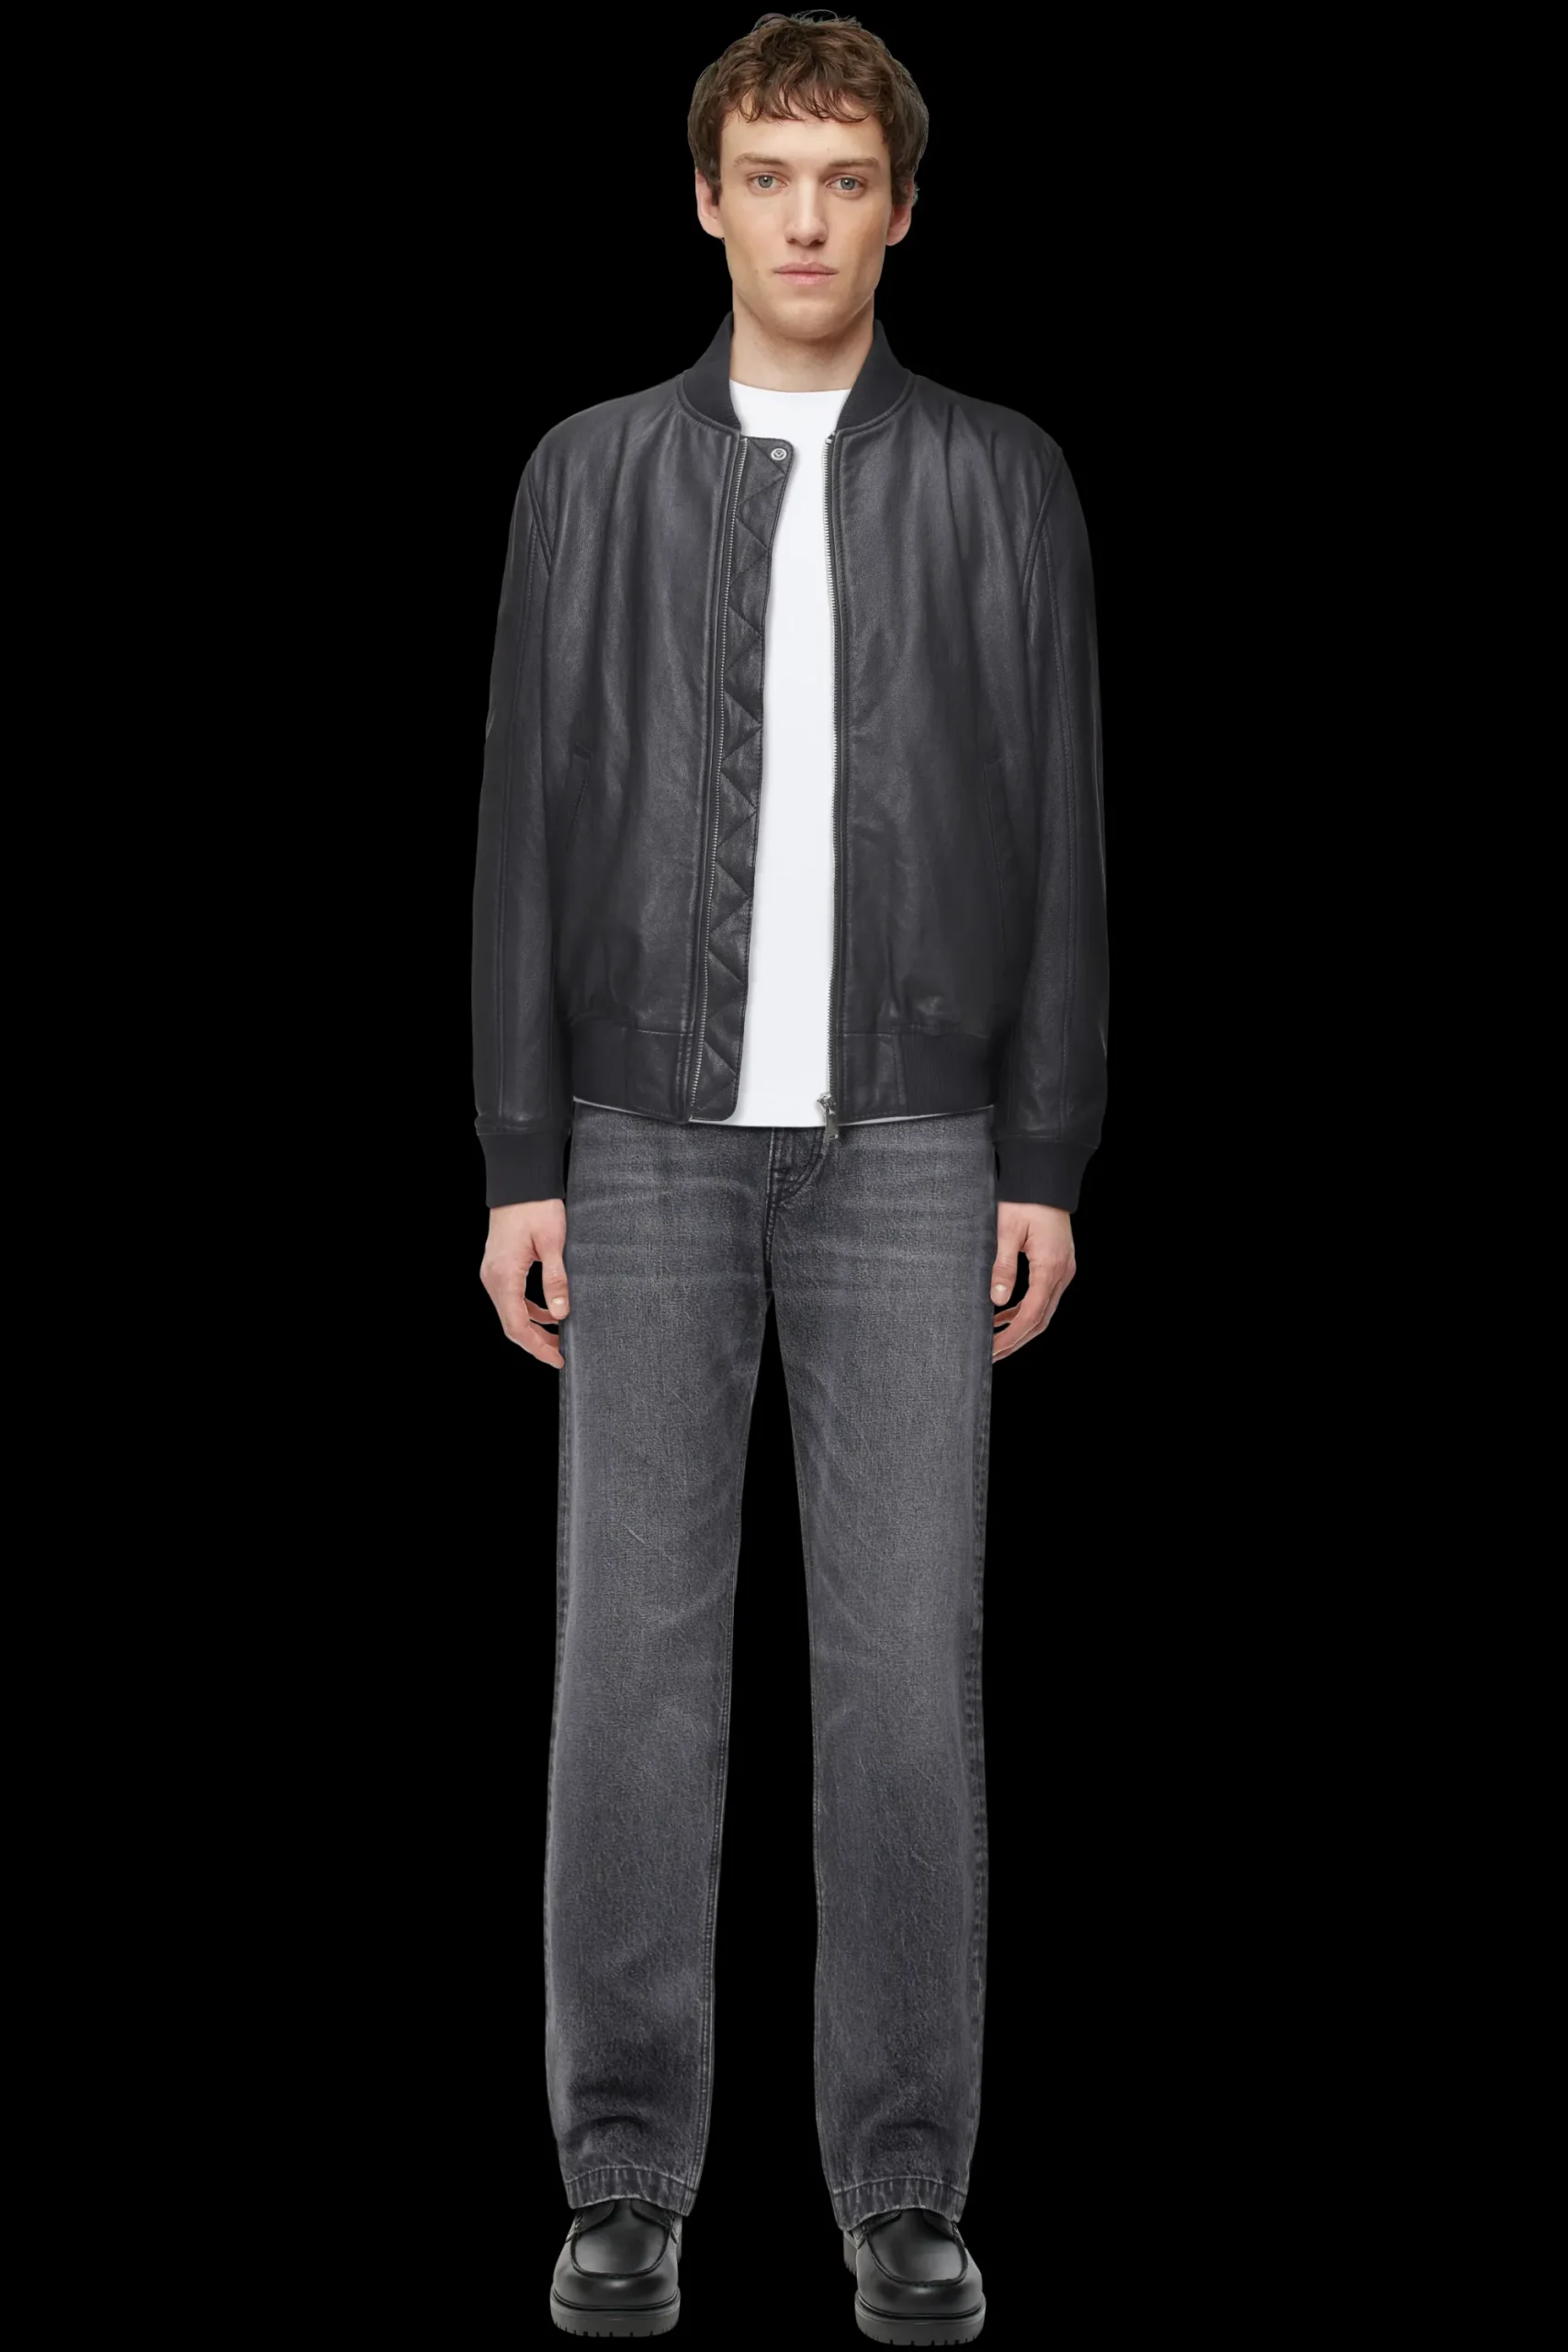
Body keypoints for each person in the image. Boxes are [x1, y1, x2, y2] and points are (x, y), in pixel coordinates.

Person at [471, 13, 1108, 2340]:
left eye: (846, 176)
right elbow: (528, 814)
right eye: (769, 174)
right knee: (629, 1675)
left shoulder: (1002, 477)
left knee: (904, 1677)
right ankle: (624, 2173)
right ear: (707, 200)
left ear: (903, 208)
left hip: (919, 1143)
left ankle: (905, 2185)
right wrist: (519, 1148)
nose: (807, 216)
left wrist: (1044, 1144)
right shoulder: (587, 475)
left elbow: (1062, 820)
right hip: (639, 1139)